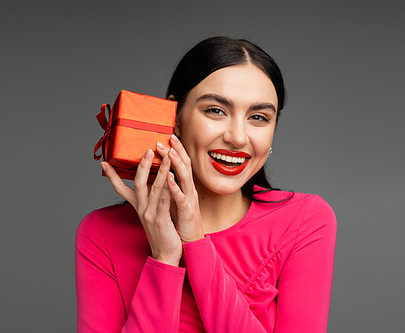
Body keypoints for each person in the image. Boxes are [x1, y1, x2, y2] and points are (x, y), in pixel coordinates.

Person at [75, 36, 337, 332]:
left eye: (259, 117)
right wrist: (164, 260)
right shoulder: (101, 233)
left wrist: (195, 243)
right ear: (173, 116)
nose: (238, 137)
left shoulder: (305, 220)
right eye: (215, 110)